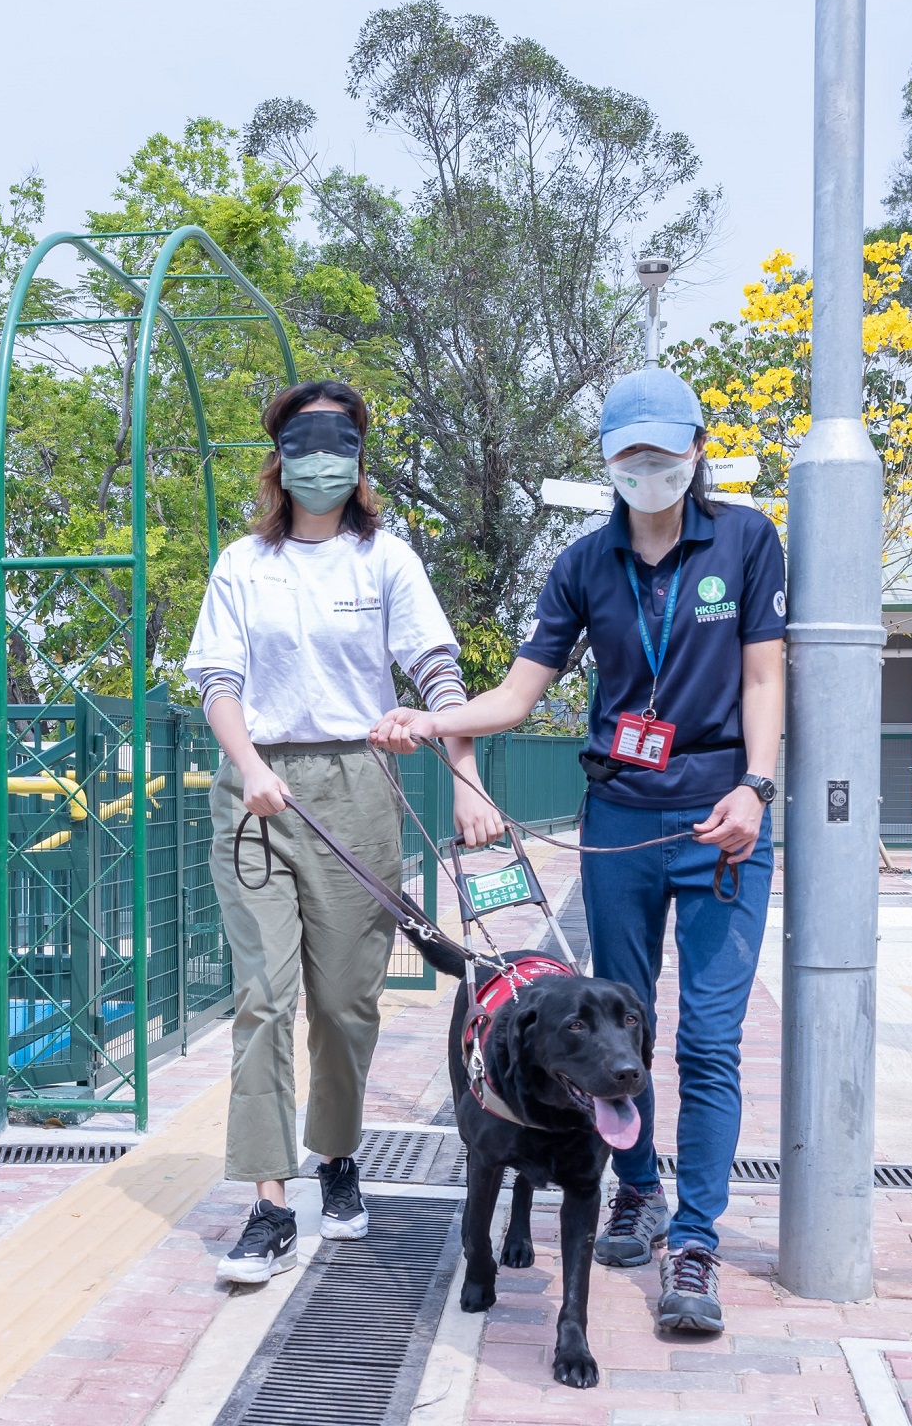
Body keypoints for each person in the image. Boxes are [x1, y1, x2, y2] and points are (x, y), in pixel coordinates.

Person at [372, 366, 785, 1335]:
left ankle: (695, 1241)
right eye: (630, 452)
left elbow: (764, 677)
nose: (649, 467)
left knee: (705, 1040)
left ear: (697, 447)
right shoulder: (582, 564)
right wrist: (426, 726)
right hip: (621, 827)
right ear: (608, 459)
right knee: (613, 1033)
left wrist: (755, 788)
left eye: (665, 449)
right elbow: (517, 697)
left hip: (723, 818)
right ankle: (633, 1188)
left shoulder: (745, 541)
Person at [187, 380, 503, 1285]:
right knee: (264, 998)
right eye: (303, 445)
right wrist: (250, 769)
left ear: (358, 461)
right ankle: (268, 1202)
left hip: (360, 790)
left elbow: (438, 673)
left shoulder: (386, 561)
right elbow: (217, 682)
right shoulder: (242, 564)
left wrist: (464, 781)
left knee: (344, 1004)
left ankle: (337, 1156)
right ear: (279, 460)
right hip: (258, 790)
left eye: (338, 446)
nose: (320, 463)